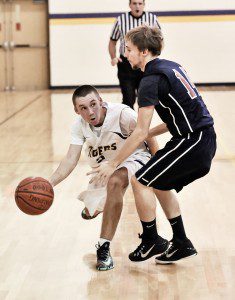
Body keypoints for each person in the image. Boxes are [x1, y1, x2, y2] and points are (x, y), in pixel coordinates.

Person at [90, 25, 217, 264]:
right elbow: (170, 121)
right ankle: (180, 242)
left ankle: (151, 239)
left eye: (128, 49)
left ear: (144, 51)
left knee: (140, 179)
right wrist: (145, 132)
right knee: (157, 181)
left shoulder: (150, 80)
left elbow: (139, 133)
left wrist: (113, 163)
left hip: (194, 140)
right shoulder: (172, 66)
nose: (125, 54)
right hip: (197, 137)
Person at [49, 85, 169, 271]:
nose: (90, 112)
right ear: (76, 110)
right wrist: (50, 183)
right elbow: (70, 159)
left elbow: (146, 135)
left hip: (135, 157)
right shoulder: (79, 126)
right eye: (83, 108)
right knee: (90, 209)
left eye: (93, 104)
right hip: (104, 167)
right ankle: (98, 205)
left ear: (101, 101)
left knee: (115, 182)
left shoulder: (122, 114)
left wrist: (159, 163)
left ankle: (103, 247)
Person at [109, 0, 160, 109]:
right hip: (126, 64)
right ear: (130, 5)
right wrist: (113, 57)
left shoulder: (152, 19)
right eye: (134, 3)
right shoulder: (121, 20)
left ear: (144, 5)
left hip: (145, 64)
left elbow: (158, 40)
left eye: (140, 3)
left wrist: (154, 58)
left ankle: (142, 125)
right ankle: (130, 125)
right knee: (128, 98)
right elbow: (112, 42)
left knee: (145, 98)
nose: (137, 6)